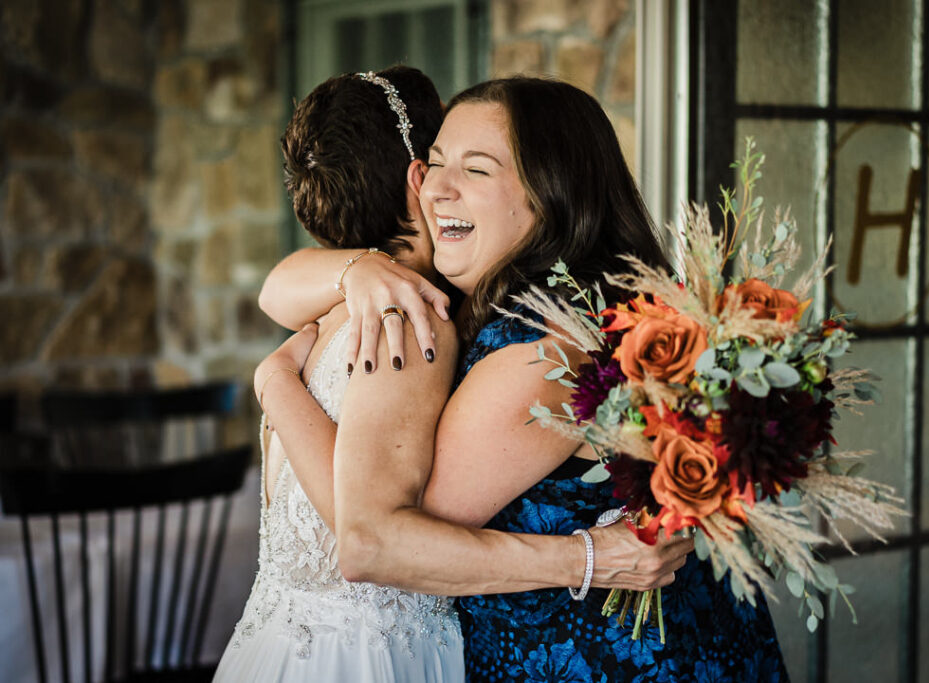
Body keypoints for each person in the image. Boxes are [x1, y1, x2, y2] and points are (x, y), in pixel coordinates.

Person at [260, 77, 790, 681]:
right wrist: (359, 269)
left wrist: (277, 384)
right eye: (435, 164)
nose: (436, 188)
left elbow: (377, 542)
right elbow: (277, 287)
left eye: (477, 170)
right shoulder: (535, 305)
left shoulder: (542, 350)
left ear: (551, 194)